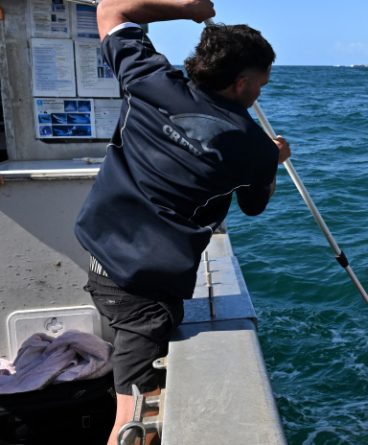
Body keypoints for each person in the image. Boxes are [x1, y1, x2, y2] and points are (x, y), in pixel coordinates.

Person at [73, 1, 290, 443]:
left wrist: (184, 8)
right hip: (142, 290)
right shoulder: (254, 148)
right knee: (135, 419)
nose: (259, 93)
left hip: (100, 257)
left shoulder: (150, 80)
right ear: (241, 83)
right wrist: (274, 160)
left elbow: (111, 10)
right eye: (260, 85)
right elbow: (254, 205)